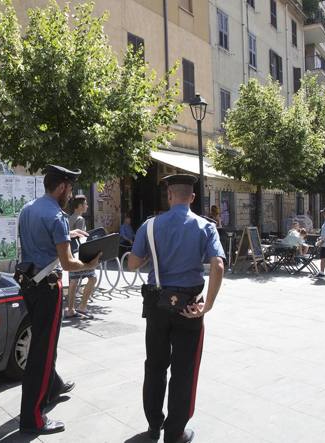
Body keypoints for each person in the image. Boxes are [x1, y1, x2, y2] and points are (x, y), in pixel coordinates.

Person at [127, 174, 225, 443]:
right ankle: (175, 432)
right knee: (184, 370)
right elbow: (217, 265)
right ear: (192, 198)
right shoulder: (205, 226)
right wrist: (209, 305)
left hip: (156, 304)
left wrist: (150, 254)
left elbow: (132, 264)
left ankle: (153, 427)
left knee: (155, 366)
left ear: (169, 195)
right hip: (189, 306)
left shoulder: (149, 226)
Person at [17, 165, 101, 435]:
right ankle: (33, 418)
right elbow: (66, 263)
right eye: (71, 188)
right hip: (48, 288)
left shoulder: (28, 208)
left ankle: (53, 387)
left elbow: (37, 245)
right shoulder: (57, 216)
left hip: (29, 284)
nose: (72, 193)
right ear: (63, 187)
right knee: (41, 352)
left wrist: (69, 235)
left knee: (43, 342)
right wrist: (90, 261)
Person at [66, 195, 97, 319]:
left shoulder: (68, 218)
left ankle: (70, 308)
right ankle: (82, 306)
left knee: (73, 281)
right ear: (79, 206)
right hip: (79, 254)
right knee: (93, 278)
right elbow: (81, 238)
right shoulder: (80, 219)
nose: (87, 206)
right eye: (85, 204)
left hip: (70, 253)